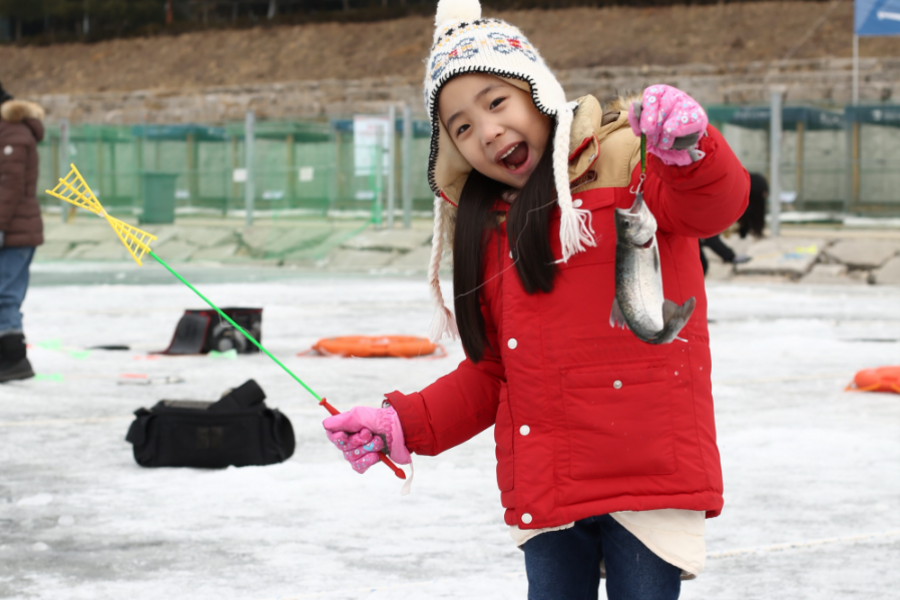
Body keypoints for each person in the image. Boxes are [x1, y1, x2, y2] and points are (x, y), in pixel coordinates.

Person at [323, 1, 749, 598]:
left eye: (497, 102)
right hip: (552, 486)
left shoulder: (630, 159)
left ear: (538, 92)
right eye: (462, 127)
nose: (487, 130)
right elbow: (496, 372)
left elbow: (714, 206)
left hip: (651, 478)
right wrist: (404, 422)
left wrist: (691, 147)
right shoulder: (492, 227)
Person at [0, 82, 44, 383]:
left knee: (4, 295)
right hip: (11, 227)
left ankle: (14, 359)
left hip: (15, 230)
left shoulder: (13, 133)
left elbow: (9, 186)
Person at [737, 172, 768, 239]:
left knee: (746, 215)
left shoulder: (748, 178)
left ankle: (746, 232)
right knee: (758, 216)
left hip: (750, 197)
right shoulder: (758, 178)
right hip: (758, 198)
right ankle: (757, 231)